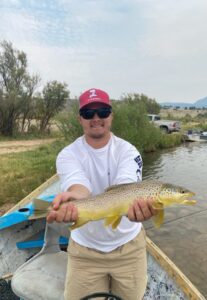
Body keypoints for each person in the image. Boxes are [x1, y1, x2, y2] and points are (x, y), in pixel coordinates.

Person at [47, 88, 157, 300]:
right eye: (89, 114)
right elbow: (80, 188)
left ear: (111, 116)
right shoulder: (67, 155)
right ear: (80, 119)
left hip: (129, 249)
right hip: (84, 252)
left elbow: (125, 188)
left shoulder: (128, 151)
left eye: (102, 111)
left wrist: (136, 207)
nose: (96, 118)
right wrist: (73, 200)